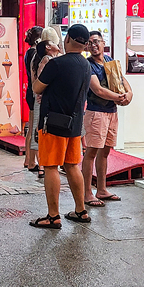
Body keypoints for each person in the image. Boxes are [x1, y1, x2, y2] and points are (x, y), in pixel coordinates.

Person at [30, 23, 93, 229]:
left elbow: (37, 87)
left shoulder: (56, 64)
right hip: (75, 124)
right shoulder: (86, 65)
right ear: (84, 45)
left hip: (53, 122)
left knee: (50, 167)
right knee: (72, 165)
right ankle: (81, 210)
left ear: (67, 40)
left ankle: (53, 215)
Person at [82, 30, 133, 207]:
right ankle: (87, 192)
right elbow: (98, 90)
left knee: (105, 151)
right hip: (96, 112)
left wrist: (129, 93)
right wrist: (118, 98)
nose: (94, 45)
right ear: (86, 47)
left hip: (111, 112)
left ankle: (101, 189)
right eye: (90, 43)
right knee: (91, 152)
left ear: (103, 43)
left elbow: (121, 79)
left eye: (97, 41)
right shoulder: (87, 65)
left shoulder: (110, 61)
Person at [27, 39, 60, 178]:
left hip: (39, 97)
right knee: (42, 130)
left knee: (38, 129)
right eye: (53, 41)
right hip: (43, 100)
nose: (56, 44)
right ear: (48, 47)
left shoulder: (41, 58)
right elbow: (41, 79)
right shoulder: (47, 60)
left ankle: (37, 163)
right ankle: (42, 165)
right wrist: (41, 93)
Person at [21, 25, 44, 174]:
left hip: (30, 90)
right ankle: (31, 161)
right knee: (35, 127)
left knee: (31, 127)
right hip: (35, 92)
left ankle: (28, 159)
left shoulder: (28, 52)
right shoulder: (35, 53)